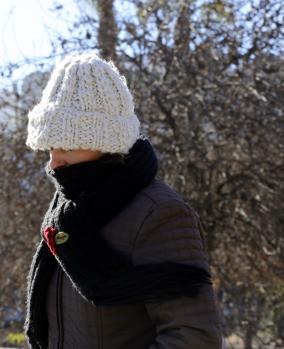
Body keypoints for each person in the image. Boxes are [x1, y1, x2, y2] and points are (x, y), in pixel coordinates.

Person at [24, 54, 222, 349]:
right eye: (50, 146)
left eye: (66, 144)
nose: (54, 162)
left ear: (106, 143)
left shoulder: (159, 213)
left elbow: (193, 337)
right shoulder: (68, 213)